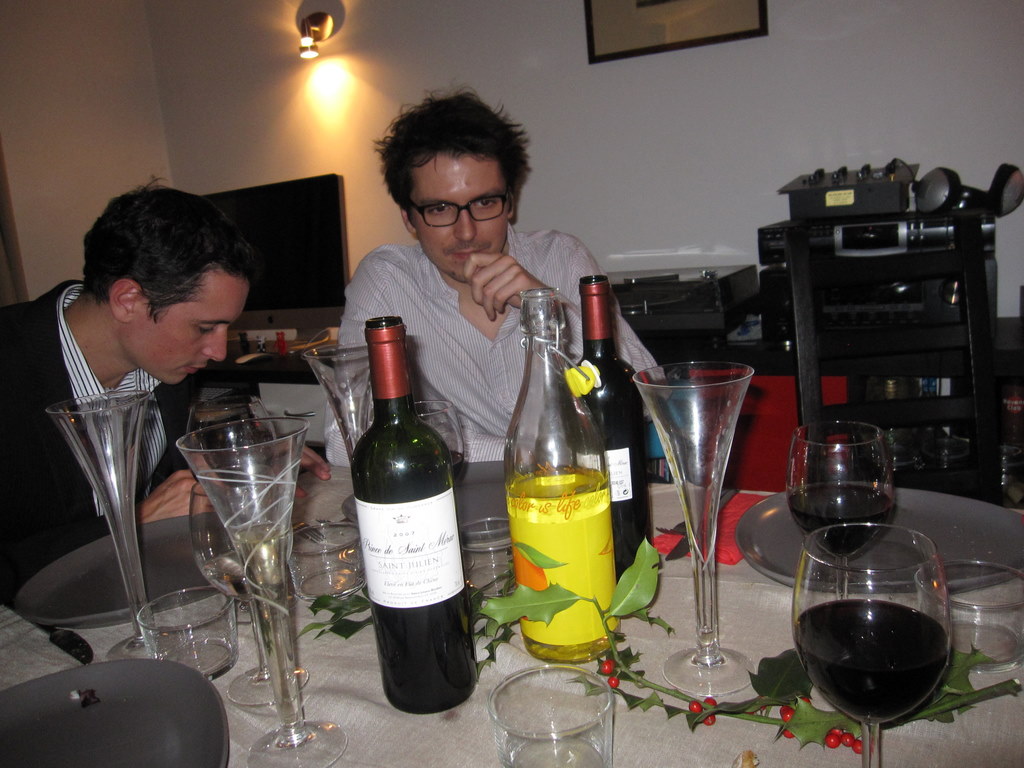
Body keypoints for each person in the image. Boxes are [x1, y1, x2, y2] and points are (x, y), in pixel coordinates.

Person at [0, 183, 330, 604]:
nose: (217, 351)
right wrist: (133, 525)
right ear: (127, 300)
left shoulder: (160, 365)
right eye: (204, 327)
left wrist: (238, 464)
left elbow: (169, 486)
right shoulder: (12, 368)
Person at [329, 89, 656, 463]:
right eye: (439, 209)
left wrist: (549, 309)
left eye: (485, 202)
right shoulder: (386, 281)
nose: (466, 232)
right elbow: (346, 440)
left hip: (585, 485)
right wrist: (528, 453)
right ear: (409, 218)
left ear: (510, 203)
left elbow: (647, 402)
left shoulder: (562, 257)